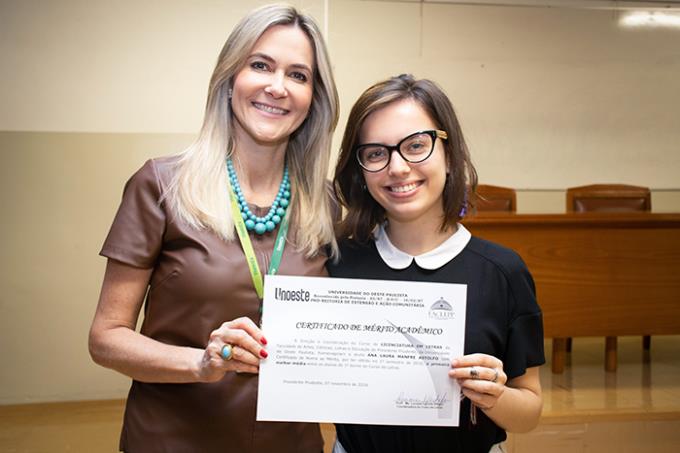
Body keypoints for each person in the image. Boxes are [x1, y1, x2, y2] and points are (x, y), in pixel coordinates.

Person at [88, 4, 338, 452]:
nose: (277, 87)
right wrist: (200, 363)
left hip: (290, 442)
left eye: (298, 75)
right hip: (172, 438)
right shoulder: (162, 185)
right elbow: (106, 339)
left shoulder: (328, 205)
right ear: (228, 81)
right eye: (260, 65)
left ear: (314, 99)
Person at [329, 74, 544, 453]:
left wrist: (493, 395)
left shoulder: (503, 271)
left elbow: (529, 411)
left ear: (449, 153)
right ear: (360, 170)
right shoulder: (336, 266)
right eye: (376, 153)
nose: (397, 167)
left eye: (415, 145)